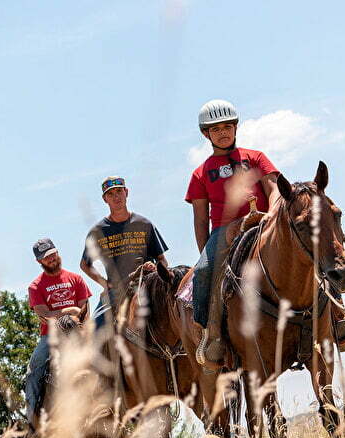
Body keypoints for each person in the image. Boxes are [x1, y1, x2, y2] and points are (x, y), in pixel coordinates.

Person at [185, 99, 281, 365]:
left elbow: (273, 189)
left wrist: (272, 213)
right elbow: (200, 219)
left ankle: (335, 314)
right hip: (226, 231)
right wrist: (206, 252)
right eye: (216, 129)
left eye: (227, 126)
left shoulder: (256, 157)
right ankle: (210, 332)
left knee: (306, 239)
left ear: (236, 127)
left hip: (263, 220)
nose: (223, 132)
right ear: (206, 134)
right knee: (203, 272)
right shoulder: (200, 174)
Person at [80, 176, 169, 337]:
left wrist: (156, 268)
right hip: (118, 291)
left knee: (179, 312)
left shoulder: (145, 224)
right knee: (94, 333)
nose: (116, 197)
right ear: (104, 199)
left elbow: (162, 259)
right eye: (111, 194)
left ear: (126, 192)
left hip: (148, 284)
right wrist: (105, 284)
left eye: (119, 191)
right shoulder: (98, 231)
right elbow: (85, 265)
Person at [25, 238, 91, 426]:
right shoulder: (36, 286)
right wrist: (70, 311)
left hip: (79, 331)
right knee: (33, 372)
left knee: (111, 355)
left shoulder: (76, 279)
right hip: (50, 338)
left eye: (53, 254)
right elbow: (44, 315)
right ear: (39, 261)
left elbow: (85, 310)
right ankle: (32, 424)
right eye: (47, 258)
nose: (52, 259)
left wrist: (76, 315)